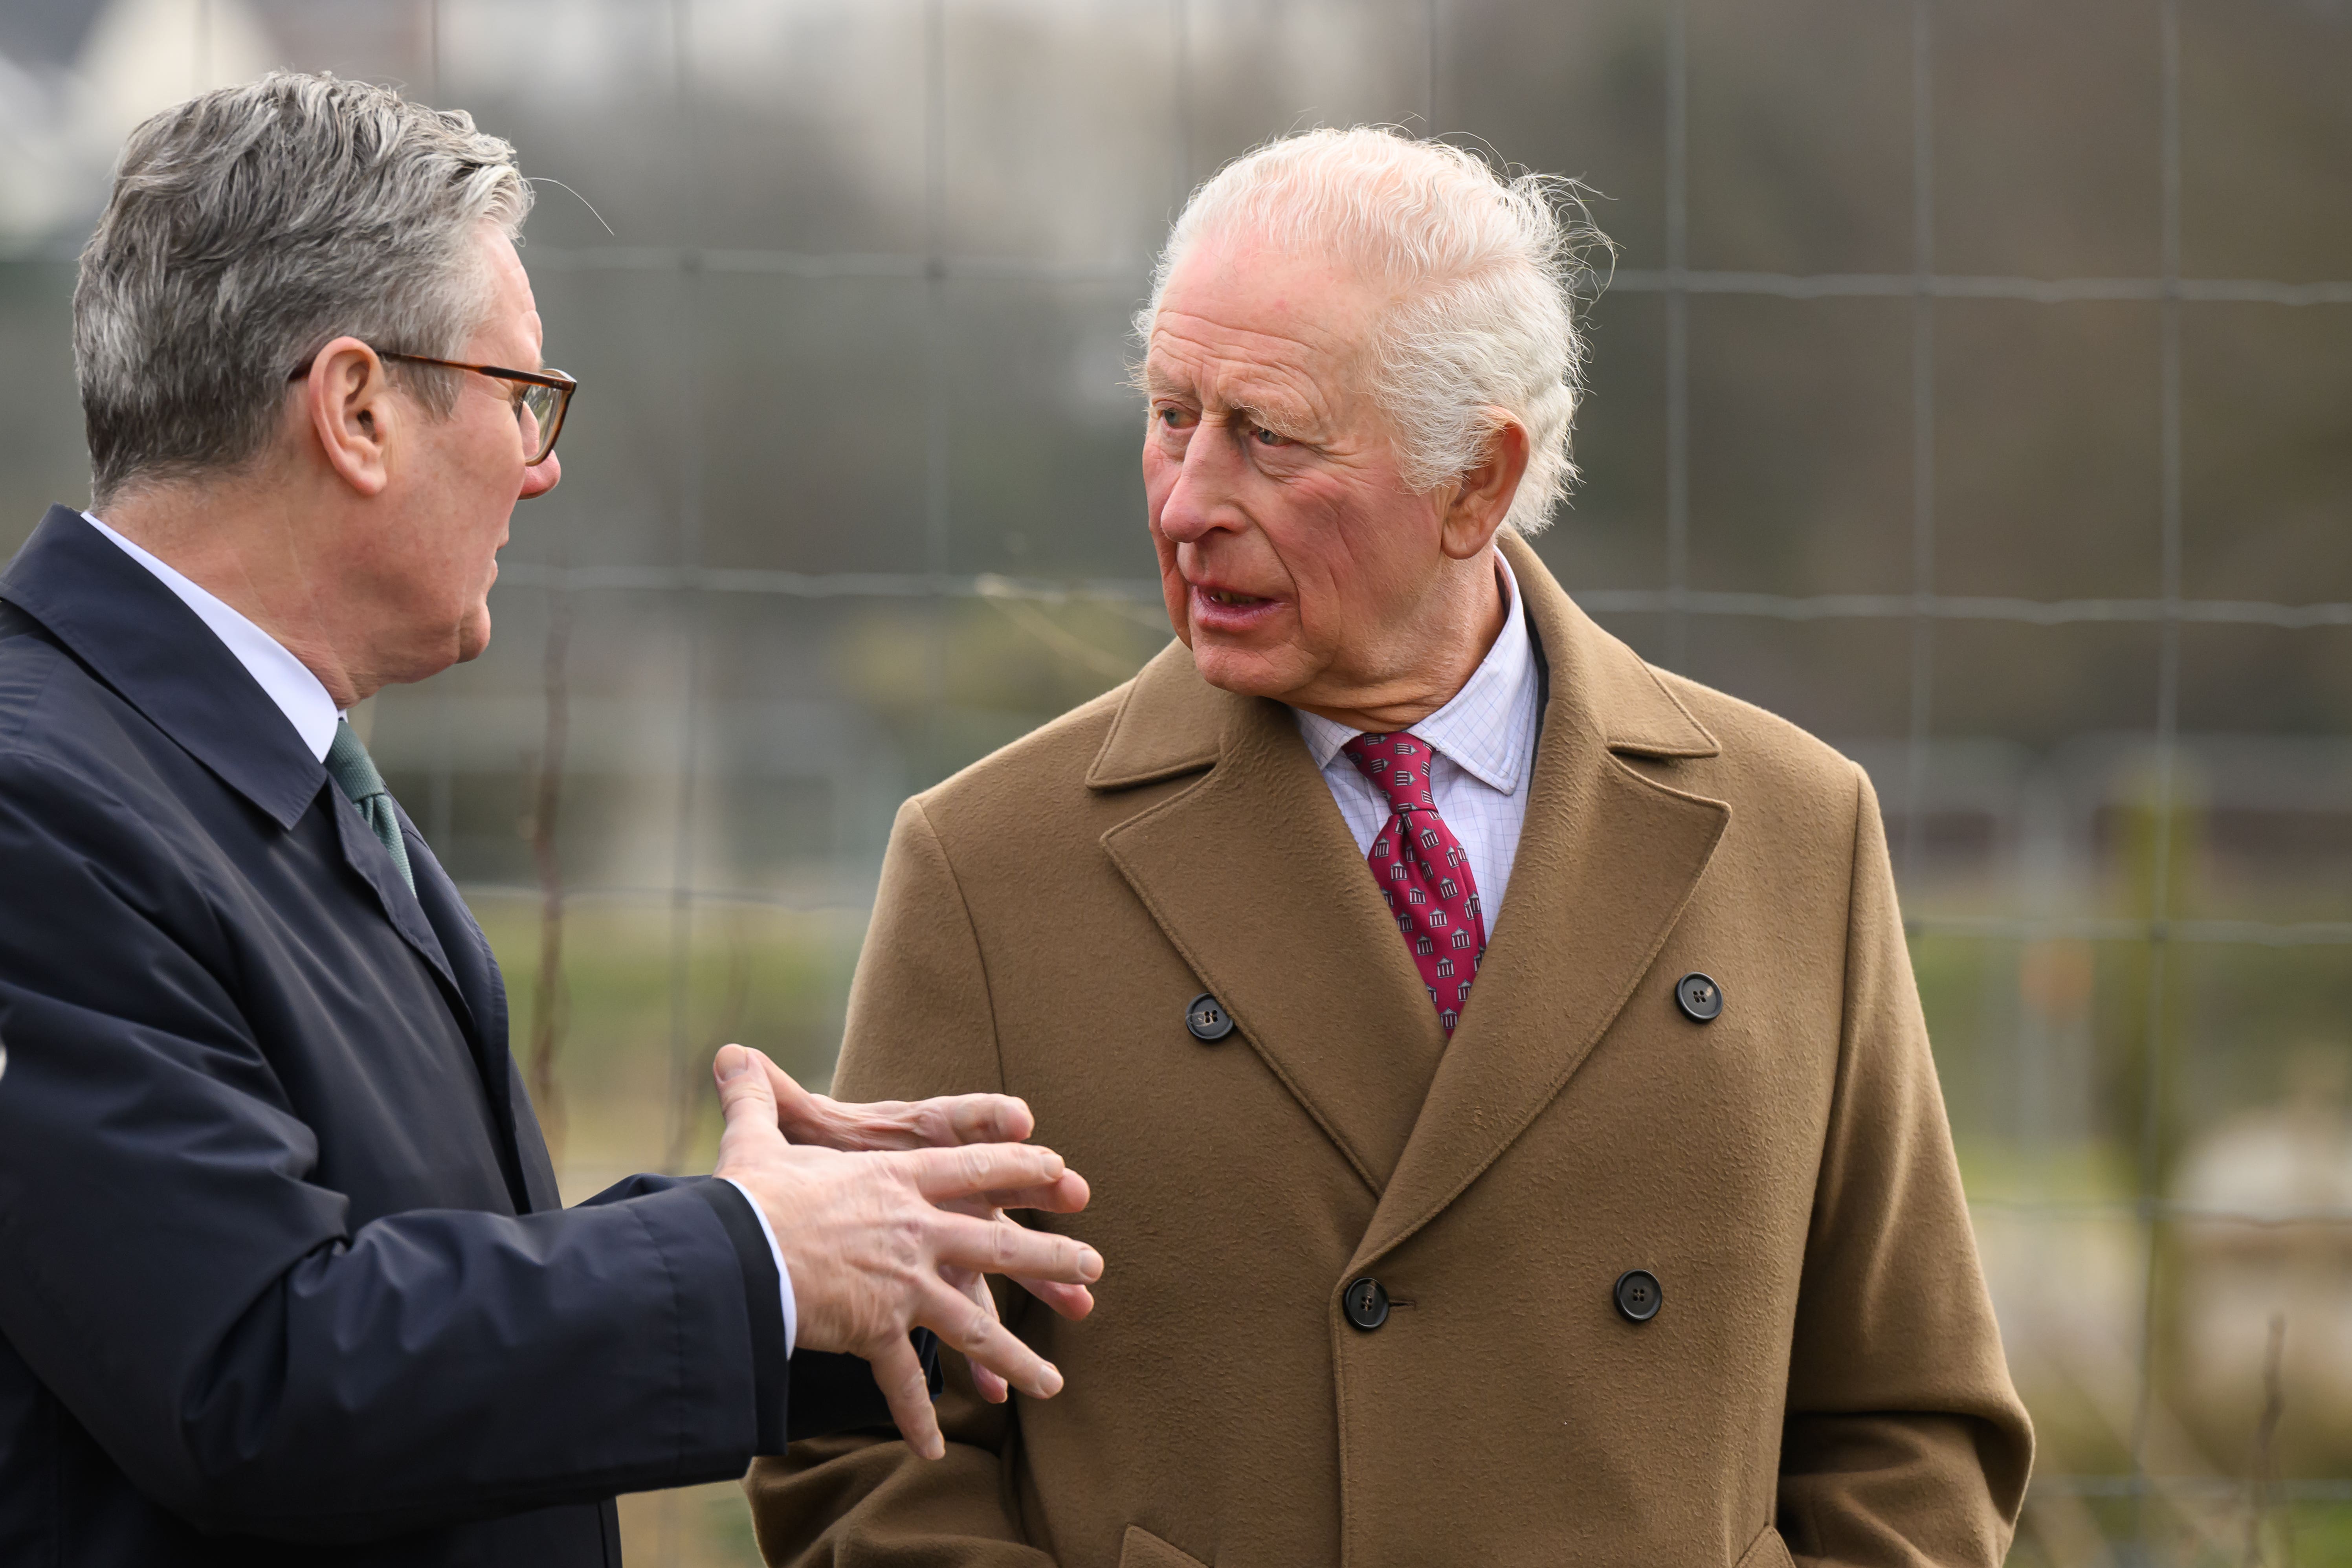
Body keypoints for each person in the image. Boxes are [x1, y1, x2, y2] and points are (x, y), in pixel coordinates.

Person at [748, 127, 2034, 1567]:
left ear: (1476, 484)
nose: (1184, 503)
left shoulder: (1794, 831)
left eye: (1269, 437)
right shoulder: (991, 866)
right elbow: (861, 1446)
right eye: (1172, 415)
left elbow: (1912, 1428)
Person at [0, 73, 1103, 1568]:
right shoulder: (41, 809)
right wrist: (747, 1263)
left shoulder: (241, 770)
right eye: (524, 394)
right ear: (357, 409)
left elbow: (376, 1279)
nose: (546, 461)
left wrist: (824, 1244)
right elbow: (251, 1371)